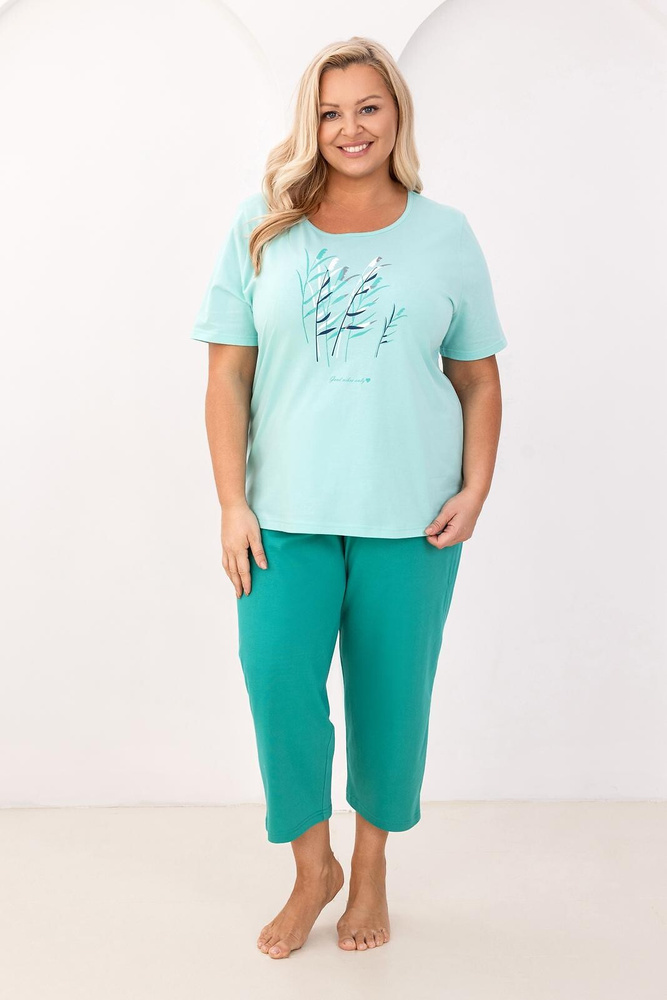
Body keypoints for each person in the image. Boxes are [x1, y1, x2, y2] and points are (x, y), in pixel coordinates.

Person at [190, 36, 508, 960]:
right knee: (277, 685)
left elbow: (477, 378)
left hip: (412, 519)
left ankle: (369, 868)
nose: (349, 127)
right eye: (329, 112)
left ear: (396, 113)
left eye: (367, 107)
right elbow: (226, 376)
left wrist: (476, 489)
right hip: (281, 518)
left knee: (391, 700)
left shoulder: (444, 234)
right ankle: (311, 870)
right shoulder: (262, 225)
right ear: (310, 123)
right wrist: (231, 503)